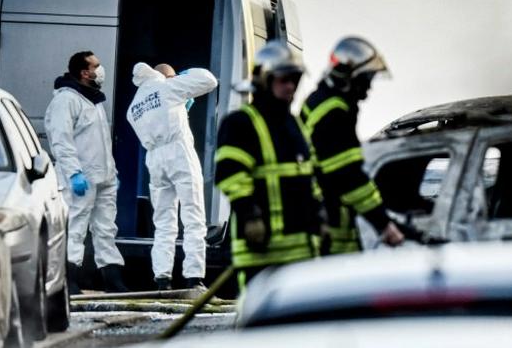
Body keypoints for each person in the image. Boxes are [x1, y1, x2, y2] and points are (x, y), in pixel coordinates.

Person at [214, 41, 323, 288]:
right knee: (262, 324)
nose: (290, 87)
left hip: (302, 250)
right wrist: (250, 215)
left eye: (294, 80)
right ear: (264, 79)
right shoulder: (241, 123)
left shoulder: (295, 124)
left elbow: (309, 175)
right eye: (283, 80)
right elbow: (231, 175)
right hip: (261, 251)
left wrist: (320, 215)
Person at [301, 36, 404, 254]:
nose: (369, 86)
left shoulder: (317, 101)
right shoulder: (335, 112)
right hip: (330, 220)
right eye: (367, 78)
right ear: (351, 76)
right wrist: (382, 223)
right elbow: (347, 176)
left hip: (318, 213)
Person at [126, 62, 218, 290]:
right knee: (194, 217)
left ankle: (162, 279)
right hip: (178, 153)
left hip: (154, 159)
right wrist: (179, 78)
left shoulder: (134, 106)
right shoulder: (167, 87)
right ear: (166, 76)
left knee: (164, 223)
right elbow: (209, 80)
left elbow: (158, 119)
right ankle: (194, 277)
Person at [44, 51, 128, 294]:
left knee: (106, 228)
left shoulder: (93, 100)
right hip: (79, 177)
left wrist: (111, 172)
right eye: (96, 65)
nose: (100, 69)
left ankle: (112, 276)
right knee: (76, 226)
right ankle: (68, 278)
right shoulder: (66, 100)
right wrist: (73, 173)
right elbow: (61, 141)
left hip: (103, 177)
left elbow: (99, 141)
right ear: (84, 72)